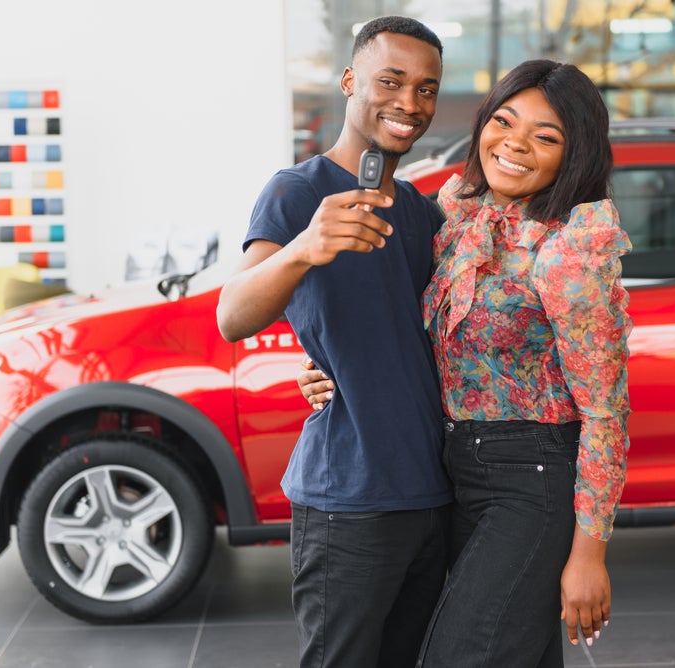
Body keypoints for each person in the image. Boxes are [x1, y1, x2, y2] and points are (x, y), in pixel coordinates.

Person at [300, 59, 632, 667]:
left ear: (575, 154)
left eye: (546, 136)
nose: (516, 144)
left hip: (531, 477)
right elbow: (415, 329)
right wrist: (333, 371)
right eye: (504, 121)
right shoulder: (458, 215)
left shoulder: (570, 250)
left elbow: (607, 414)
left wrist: (590, 554)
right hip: (453, 470)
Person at [215, 16, 453, 668]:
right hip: (347, 500)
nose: (410, 103)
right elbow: (232, 314)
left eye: (427, 88)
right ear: (350, 81)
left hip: (431, 493)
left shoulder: (419, 212)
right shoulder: (297, 193)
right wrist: (304, 250)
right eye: (391, 81)